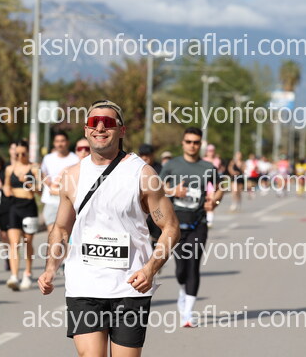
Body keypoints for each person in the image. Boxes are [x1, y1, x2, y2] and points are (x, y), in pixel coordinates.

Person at [38, 100, 180, 356]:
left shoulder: (142, 174)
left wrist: (150, 269)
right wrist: (50, 268)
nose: (100, 128)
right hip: (84, 285)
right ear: (86, 129)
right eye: (94, 122)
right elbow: (61, 229)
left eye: (108, 123)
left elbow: (170, 227)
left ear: (121, 130)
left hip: (129, 286)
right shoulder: (72, 176)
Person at [161, 128, 223, 327]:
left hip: (198, 223)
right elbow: (156, 187)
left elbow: (220, 188)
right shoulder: (172, 165)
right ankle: (183, 290)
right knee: (181, 269)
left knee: (193, 263)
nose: (192, 145)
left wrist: (214, 201)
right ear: (183, 143)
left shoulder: (208, 167)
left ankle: (188, 313)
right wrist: (173, 191)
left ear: (200, 144)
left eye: (196, 142)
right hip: (176, 224)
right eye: (188, 141)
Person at [4, 140, 41, 291]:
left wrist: (28, 183)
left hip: (29, 206)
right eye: (17, 154)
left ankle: (28, 273)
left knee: (27, 242)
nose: (20, 156)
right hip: (14, 206)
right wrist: (6, 190)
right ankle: (14, 276)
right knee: (14, 243)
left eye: (23, 153)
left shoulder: (35, 168)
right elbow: (6, 185)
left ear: (28, 153)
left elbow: (40, 190)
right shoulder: (9, 169)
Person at [40, 131, 79, 234]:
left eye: (62, 141)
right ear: (54, 143)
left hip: (68, 202)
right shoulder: (48, 158)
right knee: (52, 233)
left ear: (67, 142)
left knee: (65, 233)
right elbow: (43, 173)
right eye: (57, 141)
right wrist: (49, 183)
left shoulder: (75, 159)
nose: (60, 144)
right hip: (51, 201)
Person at [202, 144, 221, 227]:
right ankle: (205, 218)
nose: (211, 152)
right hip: (204, 182)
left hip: (213, 183)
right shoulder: (203, 160)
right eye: (209, 151)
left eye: (212, 151)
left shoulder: (217, 160)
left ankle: (210, 221)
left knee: (211, 201)